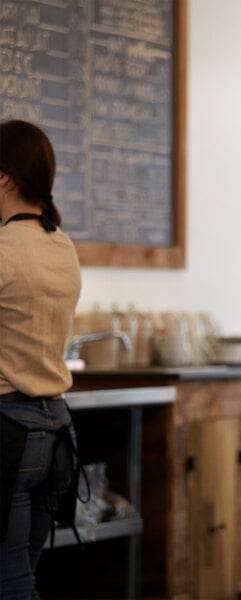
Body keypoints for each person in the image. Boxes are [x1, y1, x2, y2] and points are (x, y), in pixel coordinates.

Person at [0, 120, 82, 599]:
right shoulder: (61, 245)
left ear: (4, 177)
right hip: (54, 435)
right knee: (22, 575)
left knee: (10, 585)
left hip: (9, 431)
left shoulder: (7, 248)